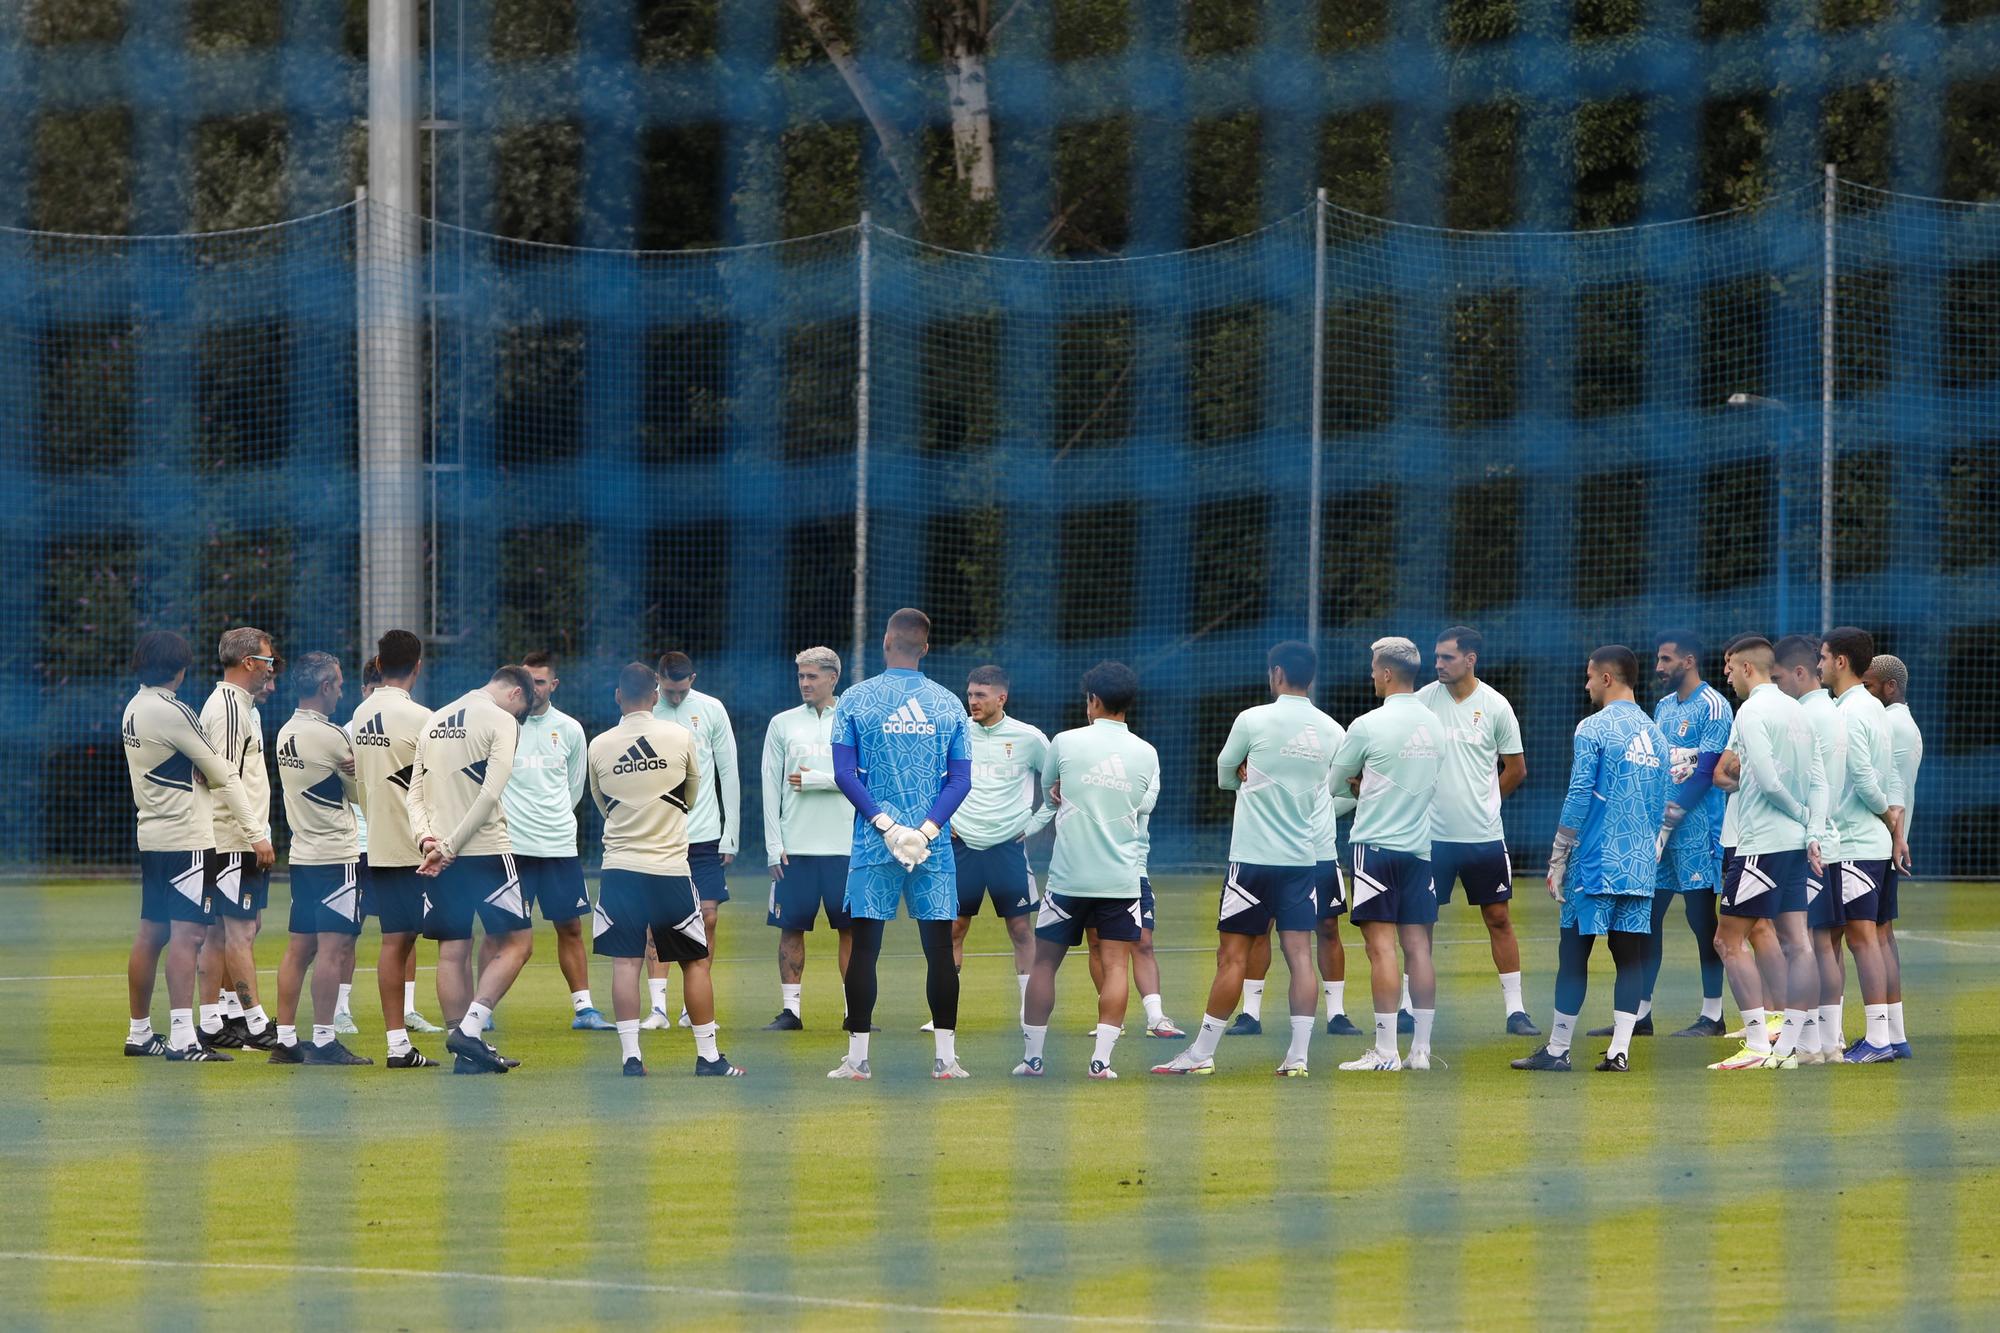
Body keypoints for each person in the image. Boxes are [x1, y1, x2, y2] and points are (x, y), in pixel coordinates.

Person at [1154, 641, 1343, 1077]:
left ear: (1276, 673)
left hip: (1252, 860)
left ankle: (1201, 1053)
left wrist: (1247, 778)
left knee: (1232, 956)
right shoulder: (1333, 730)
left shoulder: (1252, 719)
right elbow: (1338, 787)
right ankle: (1298, 1058)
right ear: (1311, 677)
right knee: (1300, 953)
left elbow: (1224, 774)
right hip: (1302, 859)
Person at [824, 608, 975, 1081]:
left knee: (865, 949)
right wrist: (927, 830)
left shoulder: (855, 699)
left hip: (874, 843)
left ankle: (858, 1060)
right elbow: (961, 779)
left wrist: (887, 826)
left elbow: (843, 773)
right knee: (939, 950)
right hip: (934, 847)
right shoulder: (949, 703)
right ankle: (946, 1060)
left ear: (886, 641)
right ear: (926, 647)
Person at [1511, 647, 1669, 1073]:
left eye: (1588, 677)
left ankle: (1559, 1049)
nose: (1585, 686)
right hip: (1639, 863)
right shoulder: (1656, 735)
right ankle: (1620, 1051)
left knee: (1573, 953)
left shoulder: (1592, 728)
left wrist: (1558, 856)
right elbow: (1662, 803)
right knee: (1630, 956)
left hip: (1596, 860)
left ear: (1606, 679)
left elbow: (1580, 792)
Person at [120, 630, 268, 1061]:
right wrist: (256, 834)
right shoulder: (174, 711)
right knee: (190, 935)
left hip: (151, 834)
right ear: (180, 669)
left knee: (152, 933)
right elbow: (221, 771)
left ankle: (140, 1032)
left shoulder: (134, 707)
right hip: (187, 838)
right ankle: (185, 1038)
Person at [589, 662, 743, 1077]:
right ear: (655, 696)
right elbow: (691, 796)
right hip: (670, 868)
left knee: (625, 962)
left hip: (620, 868)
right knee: (694, 961)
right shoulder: (679, 737)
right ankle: (709, 1057)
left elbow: (601, 802)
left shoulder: (599, 744)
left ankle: (631, 1059)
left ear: (618, 696)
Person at [1016, 662, 1158, 1080]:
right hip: (1121, 878)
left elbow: (1049, 792)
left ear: (1093, 700)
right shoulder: (1147, 752)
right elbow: (1146, 805)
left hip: (1068, 879)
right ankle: (1101, 1063)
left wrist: (1067, 792)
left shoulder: (1065, 741)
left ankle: (1033, 1060)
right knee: (1116, 966)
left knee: (1044, 964)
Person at [407, 664, 536, 1074]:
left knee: (452, 950)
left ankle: (466, 1051)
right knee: (518, 943)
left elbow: (414, 793)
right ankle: (471, 1029)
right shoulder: (500, 720)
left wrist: (428, 842)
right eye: (521, 712)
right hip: (484, 851)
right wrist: (449, 846)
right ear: (516, 694)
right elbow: (489, 794)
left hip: (438, 856)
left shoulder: (435, 718)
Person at [1707, 637, 1827, 1072]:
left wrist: (1797, 816)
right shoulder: (1797, 710)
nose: (1726, 676)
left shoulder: (1752, 711)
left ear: (1746, 669)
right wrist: (1810, 828)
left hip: (1759, 844)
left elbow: (1770, 781)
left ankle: (1758, 1045)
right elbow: (1819, 781)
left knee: (1727, 939)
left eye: (1729, 668)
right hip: (1795, 846)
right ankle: (1790, 1048)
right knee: (1798, 942)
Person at [1328, 637, 1443, 1073]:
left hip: (1375, 848)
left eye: (1375, 668)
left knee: (1382, 949)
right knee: (1419, 950)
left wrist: (1361, 788)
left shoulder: (1367, 724)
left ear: (1388, 673)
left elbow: (1334, 783)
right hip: (1420, 849)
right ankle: (1422, 1052)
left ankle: (1386, 1051)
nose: (1372, 675)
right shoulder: (1434, 725)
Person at [1415, 626, 1534, 1035]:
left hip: (1483, 837)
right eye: (1436, 657)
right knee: (1420, 921)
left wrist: (1487, 803)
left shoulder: (1496, 706)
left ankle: (1516, 1011)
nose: (1438, 665)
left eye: (1447, 657)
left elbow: (1516, 769)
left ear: (1470, 659)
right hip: (1430, 838)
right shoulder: (1420, 702)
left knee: (1498, 918)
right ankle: (1406, 1008)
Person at [1621, 630, 1733, 1040]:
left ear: (1688, 661)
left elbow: (1706, 771)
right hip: (1661, 829)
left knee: (1702, 919)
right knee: (1648, 917)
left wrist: (1674, 813)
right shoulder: (1664, 707)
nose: (1658, 668)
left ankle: (1713, 1015)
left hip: (1698, 829)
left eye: (1666, 659)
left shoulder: (1714, 706)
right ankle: (1640, 1014)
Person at [265, 653, 372, 1066]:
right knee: (335, 947)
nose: (342, 691)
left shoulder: (286, 731)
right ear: (325, 686)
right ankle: (325, 1040)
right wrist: (363, 766)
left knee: (299, 949)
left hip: (304, 855)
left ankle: (286, 1040)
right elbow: (361, 797)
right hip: (336, 856)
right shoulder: (331, 737)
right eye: (340, 684)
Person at [350, 631, 444, 1062]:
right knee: (446, 943)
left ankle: (397, 1042)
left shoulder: (361, 712)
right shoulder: (424, 718)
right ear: (418, 666)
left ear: (379, 664)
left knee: (395, 941)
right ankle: (458, 1038)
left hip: (379, 843)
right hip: (422, 847)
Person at [499, 651, 605, 1030]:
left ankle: (585, 1009)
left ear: (553, 685)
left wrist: (550, 821)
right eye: (527, 681)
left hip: (558, 847)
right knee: (501, 932)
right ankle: (486, 1009)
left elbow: (574, 789)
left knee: (571, 927)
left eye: (540, 682)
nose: (533, 688)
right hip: (511, 848)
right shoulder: (501, 725)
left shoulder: (571, 730)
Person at [940, 664, 1050, 1028]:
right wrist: (944, 822)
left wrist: (1034, 825)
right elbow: (934, 780)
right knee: (954, 927)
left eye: (980, 695)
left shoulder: (1029, 737)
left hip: (1008, 848)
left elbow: (1057, 785)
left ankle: (1028, 1009)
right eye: (970, 694)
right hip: (962, 846)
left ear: (1001, 697)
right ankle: (945, 1009)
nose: (972, 701)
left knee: (1021, 929)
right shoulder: (956, 733)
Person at [1822, 628, 1906, 1064]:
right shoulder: (1872, 708)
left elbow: (1861, 777)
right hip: (1865, 843)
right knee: (1856, 937)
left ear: (1840, 661)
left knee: (1860, 939)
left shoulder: (1850, 712)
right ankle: (1862, 1036)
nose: (1819, 665)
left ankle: (1877, 1040)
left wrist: (1884, 814)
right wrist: (1891, 818)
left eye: (1823, 658)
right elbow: (1890, 776)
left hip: (1855, 841)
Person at [195, 626, 281, 1050]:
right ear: (249, 663)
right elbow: (226, 779)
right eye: (269, 660)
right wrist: (256, 834)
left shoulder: (239, 706)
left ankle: (214, 1021)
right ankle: (257, 1023)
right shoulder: (229, 708)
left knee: (225, 931)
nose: (271, 668)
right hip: (232, 838)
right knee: (240, 931)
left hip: (230, 836)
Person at [760, 646, 855, 1030]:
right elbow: (770, 785)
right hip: (794, 848)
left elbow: (866, 778)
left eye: (812, 676)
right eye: (801, 676)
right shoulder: (782, 723)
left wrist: (818, 780)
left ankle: (855, 1012)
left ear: (833, 678)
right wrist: (772, 845)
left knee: (851, 930)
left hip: (846, 847)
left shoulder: (853, 722)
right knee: (790, 929)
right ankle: (791, 1012)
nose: (804, 683)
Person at [645, 651, 740, 1029]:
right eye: (670, 691)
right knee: (658, 920)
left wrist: (730, 833)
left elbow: (728, 770)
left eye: (683, 690)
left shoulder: (712, 709)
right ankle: (656, 1009)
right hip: (660, 834)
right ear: (657, 680)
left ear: (693, 679)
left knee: (709, 917)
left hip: (705, 836)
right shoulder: (644, 712)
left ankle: (691, 1007)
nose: (677, 697)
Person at [1772, 634, 1845, 1064]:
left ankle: (1807, 1042)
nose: (1777, 686)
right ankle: (1829, 1041)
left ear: (1799, 673)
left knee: (1800, 945)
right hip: (1832, 839)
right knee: (1824, 946)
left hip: (1807, 841)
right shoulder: (1833, 712)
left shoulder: (1800, 716)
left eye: (1779, 677)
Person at [1863, 653, 1922, 1058]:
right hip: (1890, 842)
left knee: (1873, 937)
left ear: (1889, 687)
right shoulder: (1906, 723)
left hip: (1881, 843)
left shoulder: (1890, 724)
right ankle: (1894, 1035)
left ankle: (1883, 1037)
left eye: (1869, 686)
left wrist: (1894, 838)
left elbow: (1890, 791)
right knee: (1882, 935)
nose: (1865, 694)